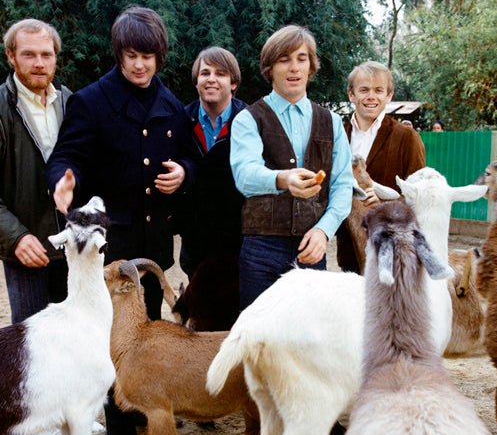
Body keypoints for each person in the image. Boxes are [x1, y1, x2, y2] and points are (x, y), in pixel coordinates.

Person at [46, 6, 197, 435]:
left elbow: (191, 157)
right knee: (114, 342)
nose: (139, 66)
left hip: (152, 248)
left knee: (146, 334)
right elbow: (66, 154)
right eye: (131, 56)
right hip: (112, 250)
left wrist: (184, 173)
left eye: (148, 57)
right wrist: (63, 181)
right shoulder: (91, 100)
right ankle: (119, 433)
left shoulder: (171, 104)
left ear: (160, 57)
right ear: (118, 54)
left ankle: (143, 408)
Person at [0, 18, 104, 435]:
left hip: (73, 245)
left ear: (56, 58)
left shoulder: (75, 103)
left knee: (77, 333)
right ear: (11, 57)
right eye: (29, 54)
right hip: (26, 246)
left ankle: (71, 413)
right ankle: (35, 420)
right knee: (30, 337)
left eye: (46, 54)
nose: (39, 63)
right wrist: (16, 237)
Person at [230, 24, 354, 309]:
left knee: (307, 344)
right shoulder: (249, 119)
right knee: (259, 342)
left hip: (312, 248)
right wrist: (283, 178)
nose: (294, 67)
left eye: (301, 58)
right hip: (261, 248)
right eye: (284, 59)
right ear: (269, 68)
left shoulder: (332, 122)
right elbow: (244, 174)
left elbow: (342, 186)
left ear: (311, 67)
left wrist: (324, 231)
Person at [336, 60, 426, 273]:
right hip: (349, 253)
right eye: (364, 90)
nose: (371, 97)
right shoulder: (338, 136)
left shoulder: (406, 138)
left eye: (378, 90)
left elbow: (420, 197)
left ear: (389, 95)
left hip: (394, 255)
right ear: (351, 95)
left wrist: (388, 202)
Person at [174, 47, 248, 305]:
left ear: (234, 82)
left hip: (238, 243)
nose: (211, 79)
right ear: (196, 81)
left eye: (221, 73)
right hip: (195, 244)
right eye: (205, 73)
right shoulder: (180, 120)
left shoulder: (250, 122)